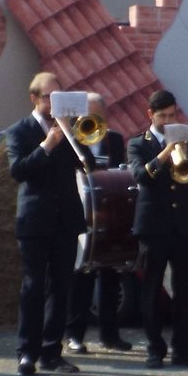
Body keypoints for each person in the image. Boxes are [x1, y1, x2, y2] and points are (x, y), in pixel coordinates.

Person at [5, 72, 87, 376]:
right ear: (34, 99)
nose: (53, 103)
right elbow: (18, 170)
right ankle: (27, 352)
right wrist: (47, 145)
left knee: (61, 287)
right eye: (48, 98)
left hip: (65, 219)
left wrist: (74, 133)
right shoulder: (20, 131)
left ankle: (52, 352)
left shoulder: (67, 130)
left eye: (58, 97)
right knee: (33, 286)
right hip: (35, 220)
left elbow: (87, 162)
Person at [128, 89, 188, 369]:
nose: (167, 120)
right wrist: (166, 153)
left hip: (183, 225)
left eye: (171, 115)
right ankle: (154, 348)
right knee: (152, 288)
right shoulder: (139, 143)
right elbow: (141, 175)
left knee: (183, 289)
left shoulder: (187, 141)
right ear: (150, 115)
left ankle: (183, 349)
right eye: (162, 116)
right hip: (154, 226)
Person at [64, 93, 132, 356]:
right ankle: (74, 336)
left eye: (96, 114)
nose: (90, 119)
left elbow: (119, 172)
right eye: (86, 115)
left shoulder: (114, 138)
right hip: (81, 213)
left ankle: (110, 335)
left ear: (104, 115)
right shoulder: (70, 139)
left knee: (111, 276)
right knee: (80, 278)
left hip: (109, 214)